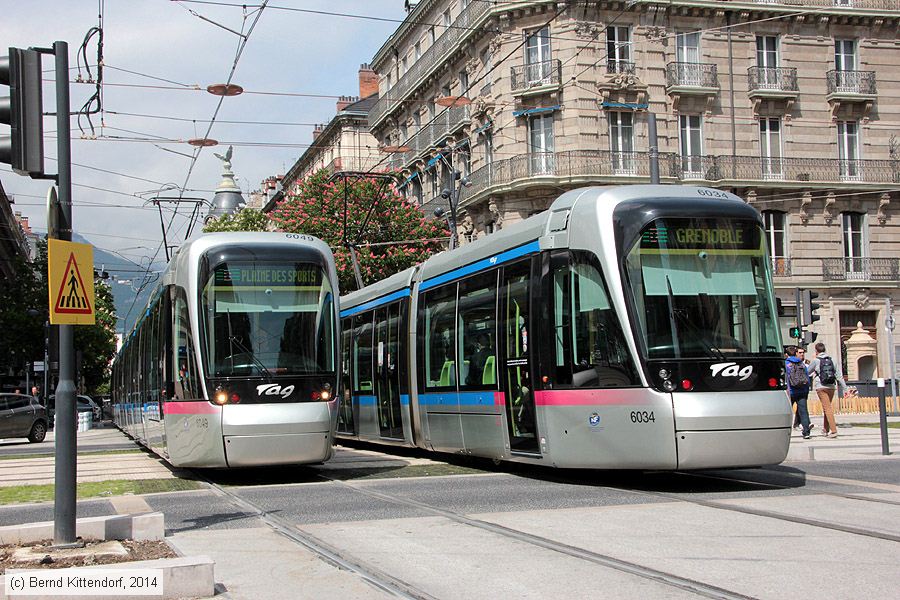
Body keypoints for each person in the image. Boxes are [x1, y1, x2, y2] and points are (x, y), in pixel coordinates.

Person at [808, 342, 847, 438]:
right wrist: (845, 388)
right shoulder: (832, 360)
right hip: (831, 387)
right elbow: (839, 376)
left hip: (821, 386)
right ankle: (826, 429)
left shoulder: (816, 361)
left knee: (827, 408)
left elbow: (807, 371)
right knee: (827, 407)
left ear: (816, 351)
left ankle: (834, 431)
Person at [785, 346, 813, 439]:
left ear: (786, 354)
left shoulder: (786, 364)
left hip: (791, 391)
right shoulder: (802, 364)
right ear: (796, 353)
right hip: (802, 391)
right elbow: (807, 377)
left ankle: (786, 432)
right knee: (803, 411)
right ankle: (806, 432)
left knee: (788, 412)